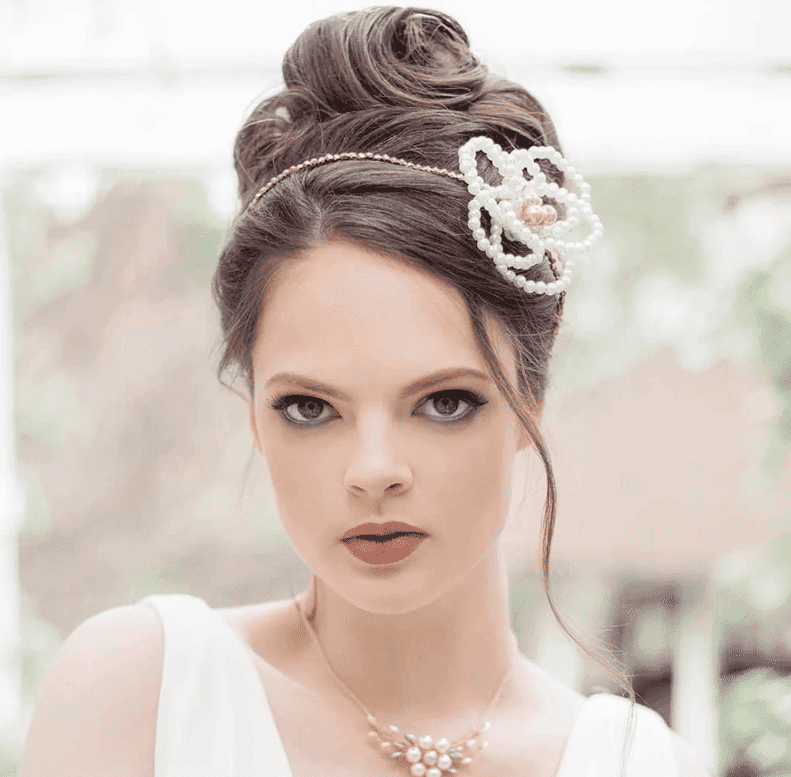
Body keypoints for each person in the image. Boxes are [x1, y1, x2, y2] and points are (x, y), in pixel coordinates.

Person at [19, 7, 713, 777]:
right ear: (254, 414)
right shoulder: (143, 693)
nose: (374, 470)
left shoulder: (639, 763)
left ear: (529, 403)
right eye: (310, 407)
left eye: (443, 402)